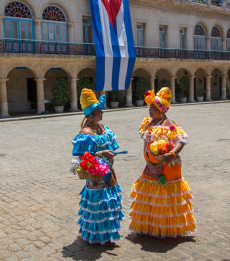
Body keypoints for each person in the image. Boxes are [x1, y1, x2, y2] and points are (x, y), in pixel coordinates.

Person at [129, 87, 196, 238]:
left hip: (169, 166)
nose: (150, 110)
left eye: (153, 108)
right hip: (151, 165)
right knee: (150, 194)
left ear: (162, 111)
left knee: (166, 196)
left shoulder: (169, 124)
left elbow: (181, 140)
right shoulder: (149, 123)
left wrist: (171, 154)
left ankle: (166, 228)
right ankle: (150, 225)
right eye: (150, 107)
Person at [72, 88, 124, 246]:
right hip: (95, 175)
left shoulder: (102, 128)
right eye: (99, 111)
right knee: (98, 207)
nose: (102, 113)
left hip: (107, 173)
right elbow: (82, 157)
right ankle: (96, 236)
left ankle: (107, 235)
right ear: (91, 115)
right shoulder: (86, 132)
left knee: (107, 205)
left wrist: (109, 154)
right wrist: (101, 153)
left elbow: (111, 145)